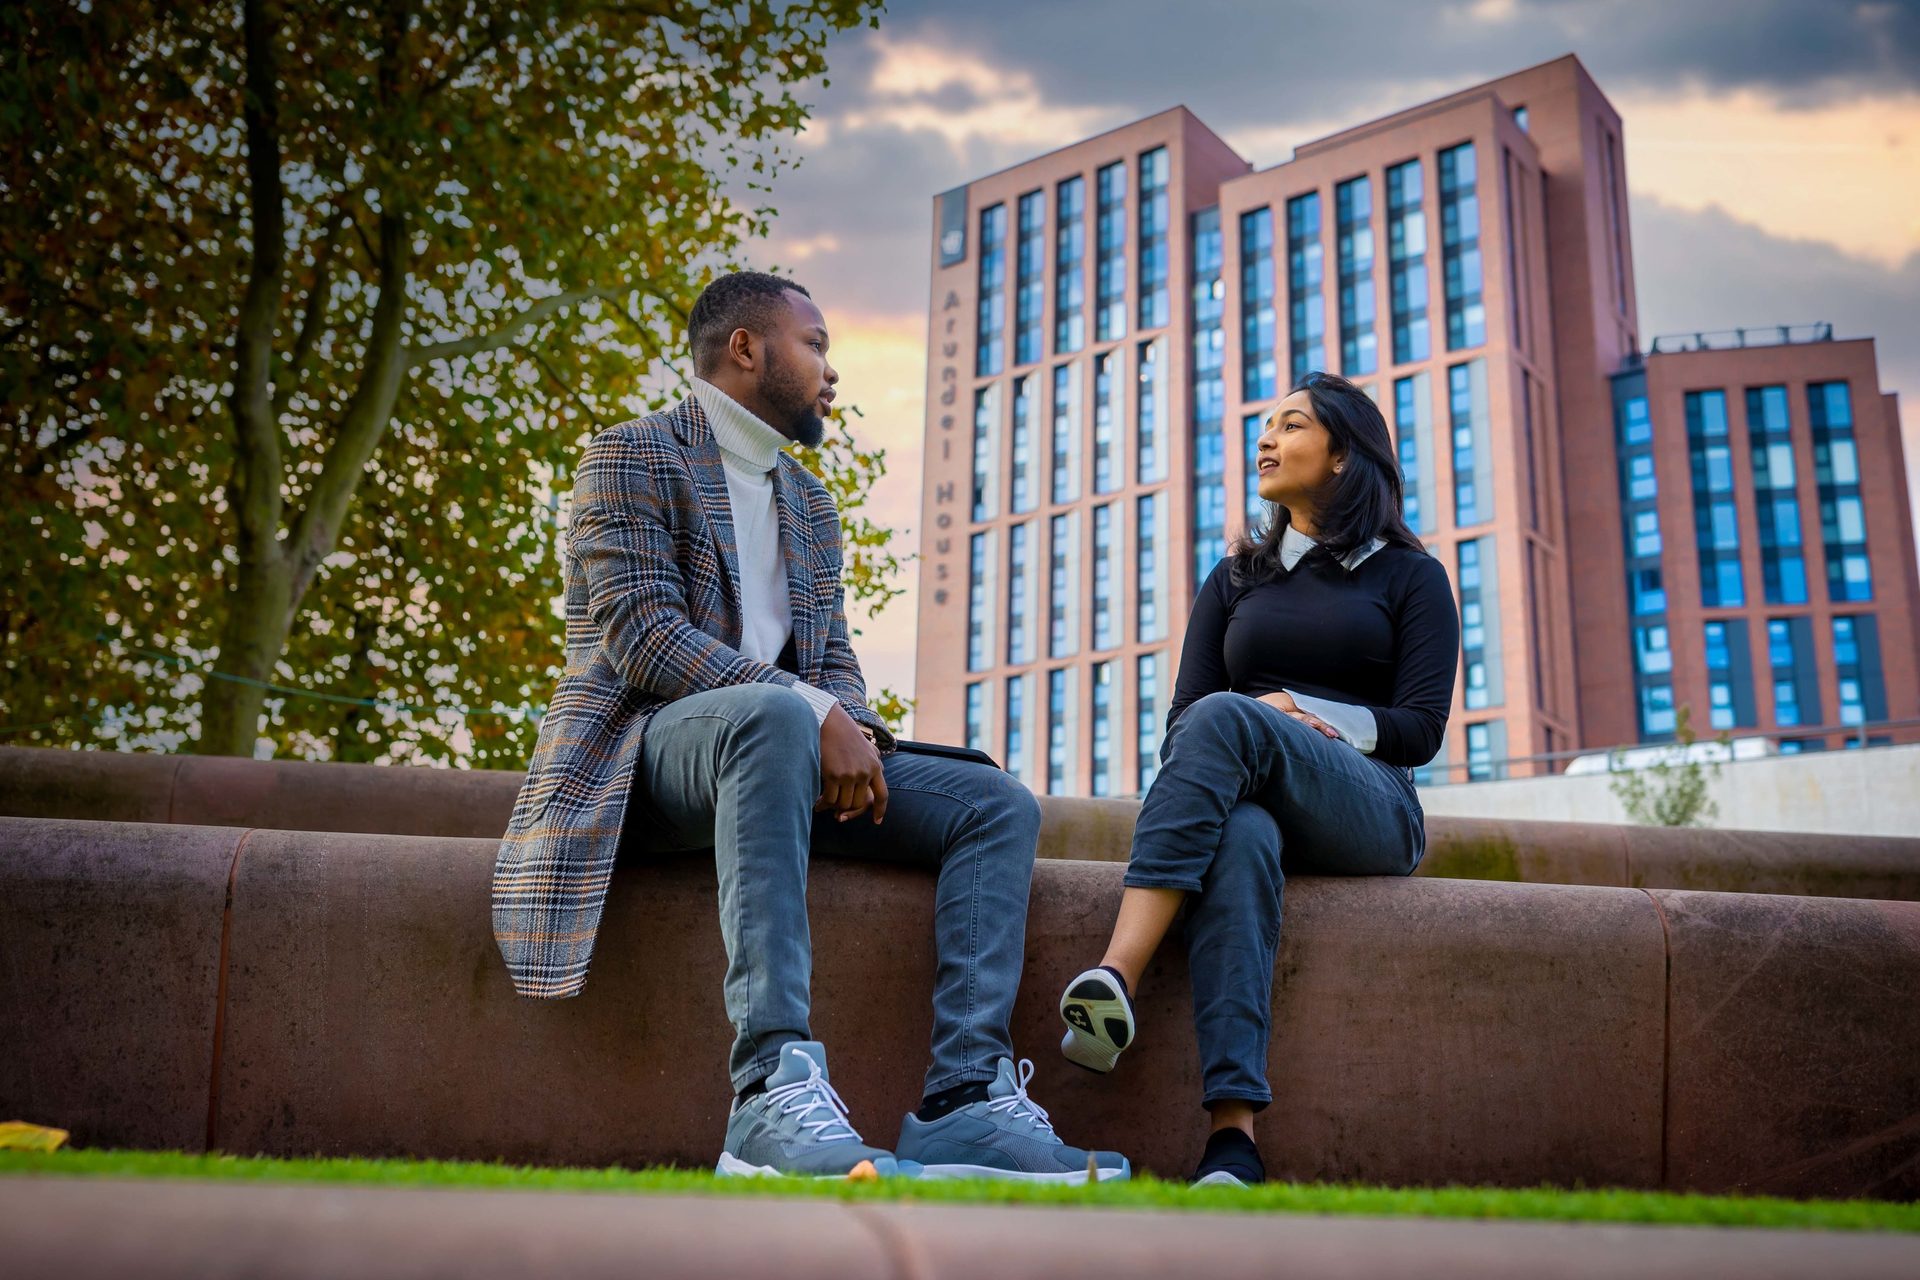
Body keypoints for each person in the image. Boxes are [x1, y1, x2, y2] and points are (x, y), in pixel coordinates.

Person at [493, 270, 1128, 1183]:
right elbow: (644, 639)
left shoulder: (809, 504)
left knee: (993, 803)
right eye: (816, 344)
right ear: (746, 348)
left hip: (784, 762)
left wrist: (847, 724)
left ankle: (964, 1106)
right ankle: (768, 1090)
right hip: (650, 762)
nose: (831, 370)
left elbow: (835, 668)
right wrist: (810, 709)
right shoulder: (631, 456)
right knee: (769, 717)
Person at [1055, 370, 1458, 1187]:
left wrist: (1297, 713)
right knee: (1239, 835)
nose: (1265, 440)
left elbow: (1419, 731)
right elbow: (1185, 721)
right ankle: (1232, 1140)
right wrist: (1261, 722)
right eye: (1265, 426)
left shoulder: (1410, 578)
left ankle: (1118, 973)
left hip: (1371, 804)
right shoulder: (1236, 575)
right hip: (1248, 797)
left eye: (1292, 425)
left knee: (1234, 716)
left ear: (1345, 456)